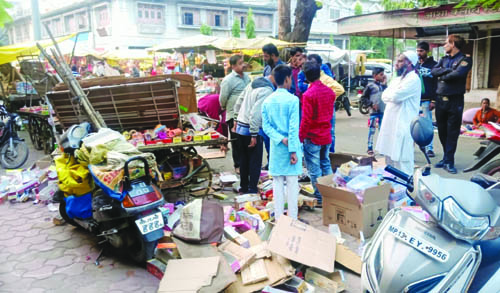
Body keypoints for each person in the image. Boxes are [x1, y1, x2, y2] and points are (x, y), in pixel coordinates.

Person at [261, 65, 302, 220]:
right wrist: (292, 149)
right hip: (291, 147)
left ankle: (279, 219)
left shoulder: (267, 101)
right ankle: (292, 219)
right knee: (292, 185)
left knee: (277, 185)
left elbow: (266, 126)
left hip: (277, 148)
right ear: (287, 79)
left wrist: (279, 139)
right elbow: (293, 127)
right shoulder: (293, 100)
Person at [431, 34, 473, 174]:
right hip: (440, 100)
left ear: (453, 44)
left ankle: (449, 161)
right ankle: (446, 157)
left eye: (446, 43)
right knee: (442, 131)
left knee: (452, 133)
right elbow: (433, 71)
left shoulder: (465, 59)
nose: (444, 45)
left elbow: (458, 75)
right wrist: (447, 71)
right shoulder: (443, 59)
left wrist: (442, 75)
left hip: (454, 101)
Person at [375, 52, 421, 175]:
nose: (396, 64)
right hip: (390, 124)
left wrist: (391, 95)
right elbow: (384, 96)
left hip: (403, 125)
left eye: (400, 61)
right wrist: (391, 95)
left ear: (410, 63)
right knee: (389, 160)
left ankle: (406, 191)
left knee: (403, 160)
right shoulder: (396, 80)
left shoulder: (413, 79)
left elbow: (395, 96)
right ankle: (394, 189)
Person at [299, 61, 336, 205]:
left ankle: (320, 197)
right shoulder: (329, 92)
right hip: (326, 134)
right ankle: (331, 193)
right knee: (325, 163)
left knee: (314, 169)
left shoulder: (308, 94)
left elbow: (306, 120)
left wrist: (300, 137)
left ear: (306, 76)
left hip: (313, 137)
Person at [233, 76, 275, 193]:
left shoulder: (251, 84)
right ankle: (252, 189)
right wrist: (254, 134)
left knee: (244, 159)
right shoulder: (266, 90)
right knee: (254, 161)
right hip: (251, 128)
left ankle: (244, 186)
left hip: (241, 127)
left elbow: (238, 102)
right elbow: (256, 113)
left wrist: (236, 119)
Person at [301, 54, 344, 153]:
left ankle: (331, 152)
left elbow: (340, 89)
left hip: (317, 135)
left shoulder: (324, 80)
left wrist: (328, 98)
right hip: (319, 132)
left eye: (312, 63)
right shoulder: (311, 89)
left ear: (319, 65)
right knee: (324, 162)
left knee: (315, 164)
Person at [219, 55, 251, 173]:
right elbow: (223, 98)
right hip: (233, 115)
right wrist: (225, 107)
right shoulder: (228, 80)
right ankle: (238, 165)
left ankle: (246, 163)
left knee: (247, 140)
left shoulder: (247, 78)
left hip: (247, 114)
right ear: (233, 66)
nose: (243, 65)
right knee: (237, 142)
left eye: (243, 62)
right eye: (239, 63)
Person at [416, 41, 438, 158]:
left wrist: (434, 100)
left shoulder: (434, 65)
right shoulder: (415, 65)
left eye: (421, 51)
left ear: (427, 51)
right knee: (414, 124)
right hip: (414, 100)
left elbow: (436, 83)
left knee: (427, 124)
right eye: (418, 51)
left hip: (426, 100)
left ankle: (430, 148)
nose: (419, 53)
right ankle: (413, 146)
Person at [361, 67, 387, 155]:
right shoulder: (370, 86)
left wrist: (384, 84)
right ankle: (369, 147)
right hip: (374, 112)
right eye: (381, 74)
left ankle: (383, 148)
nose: (383, 76)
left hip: (383, 112)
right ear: (375, 76)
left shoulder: (384, 86)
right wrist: (371, 104)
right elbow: (363, 98)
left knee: (382, 131)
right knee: (372, 131)